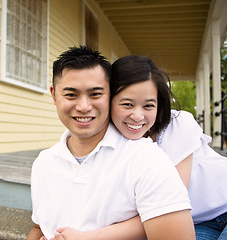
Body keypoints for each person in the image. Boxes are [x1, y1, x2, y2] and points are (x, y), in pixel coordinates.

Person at [27, 46, 195, 240]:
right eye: (71, 95)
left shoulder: (146, 158)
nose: (83, 107)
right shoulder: (43, 163)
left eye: (95, 94)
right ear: (54, 95)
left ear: (110, 96)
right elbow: (38, 228)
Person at [108, 55, 227, 240]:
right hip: (198, 221)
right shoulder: (111, 142)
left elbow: (168, 203)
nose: (138, 116)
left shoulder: (178, 124)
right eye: (127, 104)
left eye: (148, 105)